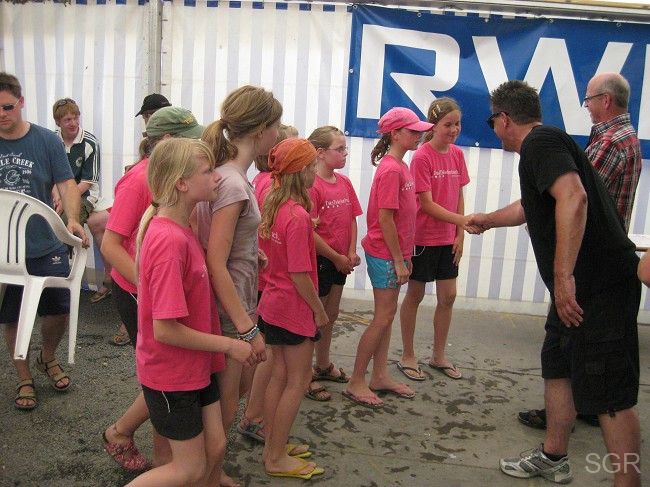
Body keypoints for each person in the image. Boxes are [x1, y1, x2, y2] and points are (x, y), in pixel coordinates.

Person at [470, 80, 640, 486]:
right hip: (577, 290)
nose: (494, 129)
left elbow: (573, 197)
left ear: (504, 119)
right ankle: (553, 456)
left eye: (492, 122)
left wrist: (563, 278)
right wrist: (488, 220)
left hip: (597, 289)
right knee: (558, 365)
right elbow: (532, 205)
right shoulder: (542, 147)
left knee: (609, 393)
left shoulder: (540, 143)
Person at [126, 137, 256, 487]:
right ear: (182, 183)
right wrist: (230, 345)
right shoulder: (169, 241)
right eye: (208, 171)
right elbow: (165, 330)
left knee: (216, 445)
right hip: (172, 374)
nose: (217, 177)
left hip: (195, 367)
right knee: (189, 469)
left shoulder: (182, 229)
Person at [517, 72, 642, 431]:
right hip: (605, 260)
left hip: (589, 264)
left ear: (606, 100)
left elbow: (573, 197)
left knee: (575, 350)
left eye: (588, 100)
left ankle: (570, 416)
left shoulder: (608, 142)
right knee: (570, 349)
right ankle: (575, 417)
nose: (586, 107)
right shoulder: (627, 137)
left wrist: (562, 272)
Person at [101, 107, 205, 471]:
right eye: (191, 139)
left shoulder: (168, 176)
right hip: (137, 289)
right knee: (165, 376)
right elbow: (110, 244)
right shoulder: (138, 180)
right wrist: (150, 288)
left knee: (171, 377)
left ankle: (151, 450)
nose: (198, 145)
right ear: (167, 141)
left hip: (158, 287)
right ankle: (151, 453)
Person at [194, 85, 281, 487]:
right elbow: (215, 262)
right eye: (276, 125)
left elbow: (220, 247)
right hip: (231, 310)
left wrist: (250, 252)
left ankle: (212, 473)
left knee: (227, 400)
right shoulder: (232, 183)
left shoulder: (229, 177)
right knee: (225, 406)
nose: (278, 134)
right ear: (261, 130)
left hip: (234, 301)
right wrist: (246, 328)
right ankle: (208, 477)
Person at [0, 72, 89, 411]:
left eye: (7, 107)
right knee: (13, 315)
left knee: (59, 309)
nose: (2, 114)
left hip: (44, 242)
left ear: (21, 102)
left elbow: (67, 184)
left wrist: (73, 219)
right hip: (5, 251)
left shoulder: (46, 141)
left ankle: (47, 357)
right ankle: (23, 375)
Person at [344, 107, 432, 409]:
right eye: (413, 131)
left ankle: (379, 375)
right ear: (395, 133)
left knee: (387, 315)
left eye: (419, 130)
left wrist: (404, 255)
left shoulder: (400, 165)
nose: (419, 135)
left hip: (393, 254)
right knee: (382, 317)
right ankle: (357, 380)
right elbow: (384, 219)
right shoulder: (391, 169)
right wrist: (397, 259)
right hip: (384, 255)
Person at [257, 137, 327, 480]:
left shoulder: (275, 206)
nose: (316, 171)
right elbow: (300, 274)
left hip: (272, 303)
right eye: (313, 165)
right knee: (297, 380)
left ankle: (274, 446)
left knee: (280, 377)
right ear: (302, 172)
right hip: (292, 307)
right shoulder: (297, 216)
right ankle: (274, 457)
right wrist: (319, 309)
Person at [396, 98, 474, 382]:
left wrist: (459, 233)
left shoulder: (457, 154)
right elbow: (426, 205)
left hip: (448, 238)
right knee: (415, 295)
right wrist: (463, 221)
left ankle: (438, 355)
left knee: (448, 296)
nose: (454, 130)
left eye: (458, 124)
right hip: (423, 238)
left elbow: (459, 194)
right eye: (447, 124)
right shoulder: (421, 157)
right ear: (433, 126)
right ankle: (407, 355)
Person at [238, 123, 299, 442]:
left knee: (268, 354)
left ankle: (255, 411)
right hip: (271, 278)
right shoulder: (271, 186)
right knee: (269, 355)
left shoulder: (261, 181)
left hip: (266, 275)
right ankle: (254, 415)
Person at [303, 126, 362, 401]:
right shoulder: (312, 186)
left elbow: (352, 218)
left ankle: (323, 364)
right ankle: (305, 374)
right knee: (315, 317)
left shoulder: (344, 182)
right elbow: (309, 232)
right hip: (323, 260)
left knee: (332, 313)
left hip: (340, 261)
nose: (345, 153)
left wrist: (350, 251)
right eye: (340, 149)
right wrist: (336, 257)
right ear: (320, 153)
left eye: (345, 148)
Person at [52, 98, 113, 303]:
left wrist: (65, 198)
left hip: (84, 195)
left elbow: (87, 182)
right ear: (57, 121)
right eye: (67, 119)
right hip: (56, 193)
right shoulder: (52, 140)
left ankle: (62, 280)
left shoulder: (89, 142)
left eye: (76, 118)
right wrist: (56, 195)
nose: (73, 123)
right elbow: (51, 173)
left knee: (63, 222)